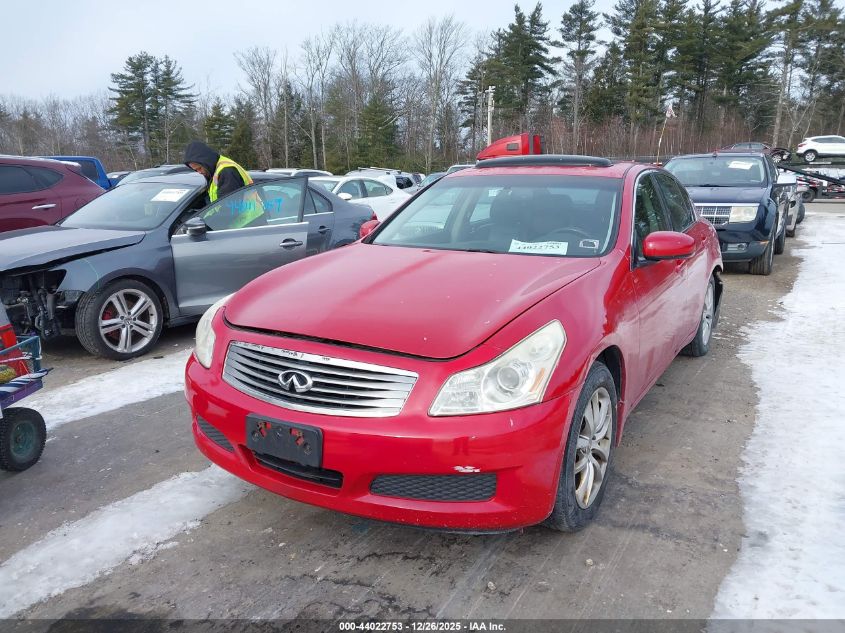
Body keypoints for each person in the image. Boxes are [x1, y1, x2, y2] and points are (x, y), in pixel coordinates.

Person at [183, 140, 252, 203]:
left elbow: (228, 208)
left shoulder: (226, 172)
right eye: (195, 170)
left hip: (248, 215)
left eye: (199, 168)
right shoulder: (215, 170)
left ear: (206, 161)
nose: (199, 172)